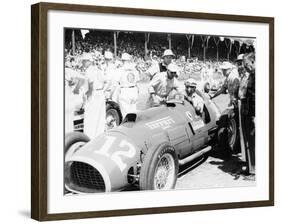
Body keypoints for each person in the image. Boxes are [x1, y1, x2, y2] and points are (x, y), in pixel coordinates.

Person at [239, 52, 255, 175]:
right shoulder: (251, 75)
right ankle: (251, 168)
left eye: (246, 64)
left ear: (253, 61)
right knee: (249, 141)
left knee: (254, 141)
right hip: (248, 110)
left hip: (254, 112)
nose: (244, 67)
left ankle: (255, 170)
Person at [83, 57, 106, 139]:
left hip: (94, 93)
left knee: (90, 117)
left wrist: (88, 95)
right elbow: (104, 82)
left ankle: (89, 138)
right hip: (101, 92)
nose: (83, 62)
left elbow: (91, 83)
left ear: (89, 61)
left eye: (84, 61)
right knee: (100, 117)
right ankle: (99, 137)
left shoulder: (89, 70)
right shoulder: (99, 69)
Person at [116, 53, 140, 118]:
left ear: (122, 60)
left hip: (125, 90)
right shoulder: (134, 69)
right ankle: (134, 127)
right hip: (134, 90)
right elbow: (137, 82)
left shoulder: (120, 69)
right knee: (133, 112)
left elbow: (116, 82)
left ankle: (128, 127)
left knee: (126, 114)